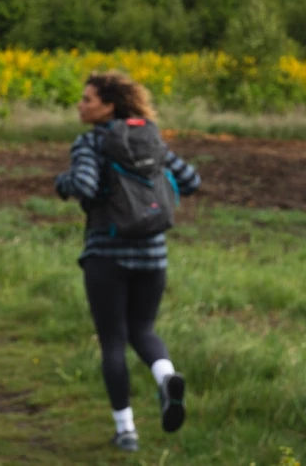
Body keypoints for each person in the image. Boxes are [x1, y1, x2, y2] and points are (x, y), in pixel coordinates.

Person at [55, 71, 201, 453]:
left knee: (113, 342)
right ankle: (166, 378)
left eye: (87, 99)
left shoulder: (90, 142)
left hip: (108, 255)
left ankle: (126, 430)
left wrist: (63, 183)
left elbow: (84, 185)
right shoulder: (150, 138)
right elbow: (190, 180)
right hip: (154, 255)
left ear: (108, 106)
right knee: (144, 329)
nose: (80, 105)